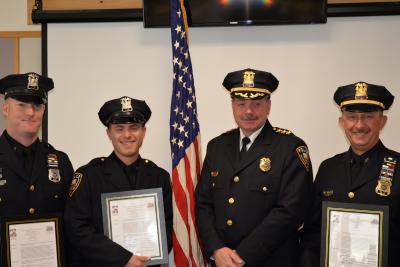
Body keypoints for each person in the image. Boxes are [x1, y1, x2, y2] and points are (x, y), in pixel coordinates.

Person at [195, 68, 313, 267]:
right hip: (222, 261)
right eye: (241, 104)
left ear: (269, 106)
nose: (248, 111)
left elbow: (291, 211)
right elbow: (203, 203)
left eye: (257, 104)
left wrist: (242, 255)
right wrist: (216, 249)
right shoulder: (217, 146)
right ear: (232, 105)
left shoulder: (291, 148)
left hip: (272, 261)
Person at [64, 96, 173, 267]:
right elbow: (77, 229)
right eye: (119, 128)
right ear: (109, 133)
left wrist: (149, 256)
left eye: (134, 128)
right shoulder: (89, 177)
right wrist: (123, 258)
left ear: (144, 131)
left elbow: (167, 227)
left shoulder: (159, 177)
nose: (127, 135)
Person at [300, 81, 399, 267]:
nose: (359, 125)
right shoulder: (328, 168)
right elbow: (313, 232)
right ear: (342, 122)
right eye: (352, 117)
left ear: (382, 121)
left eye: (368, 116)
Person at [0, 72, 73, 217]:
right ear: (5, 109)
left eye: (37, 106)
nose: (30, 112)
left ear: (43, 111)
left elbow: (72, 220)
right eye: (21, 105)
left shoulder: (61, 162)